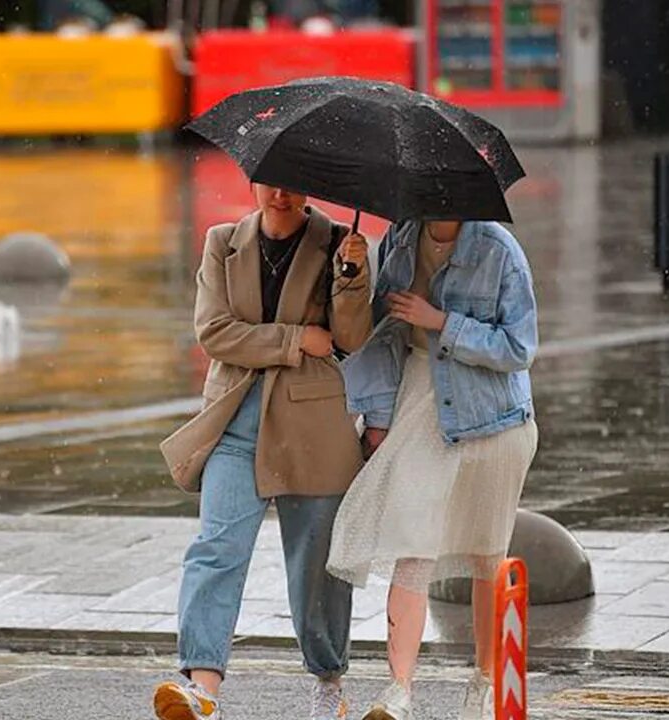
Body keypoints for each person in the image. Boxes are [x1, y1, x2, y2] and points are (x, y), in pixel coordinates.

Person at [154, 184, 373, 720]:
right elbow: (215, 332)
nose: (280, 194)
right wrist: (296, 338)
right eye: (269, 181)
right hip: (236, 418)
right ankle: (203, 687)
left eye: (292, 184)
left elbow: (351, 338)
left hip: (313, 422)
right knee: (216, 547)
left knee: (316, 568)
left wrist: (351, 279)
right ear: (251, 183)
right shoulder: (222, 242)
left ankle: (328, 682)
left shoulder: (338, 243)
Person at [327, 219, 539, 720]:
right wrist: (353, 272)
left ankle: (486, 682)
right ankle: (399, 691)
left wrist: (443, 322)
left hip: (492, 415)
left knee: (487, 555)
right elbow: (375, 339)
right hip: (419, 405)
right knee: (411, 547)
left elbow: (520, 347)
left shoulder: (500, 249)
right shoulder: (400, 239)